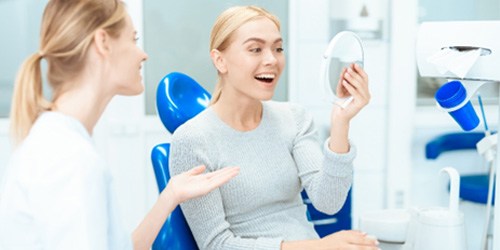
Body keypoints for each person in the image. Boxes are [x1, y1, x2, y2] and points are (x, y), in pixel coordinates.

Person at [0, 0, 239, 249]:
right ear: (103, 43)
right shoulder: (70, 160)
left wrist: (171, 195)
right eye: (133, 39)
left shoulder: (58, 142)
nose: (143, 54)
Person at [169, 5, 378, 250]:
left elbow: (328, 201)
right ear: (220, 60)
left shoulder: (294, 118)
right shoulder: (192, 140)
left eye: (278, 48)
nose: (271, 59)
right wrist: (317, 247)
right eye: (255, 49)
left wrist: (341, 123)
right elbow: (217, 245)